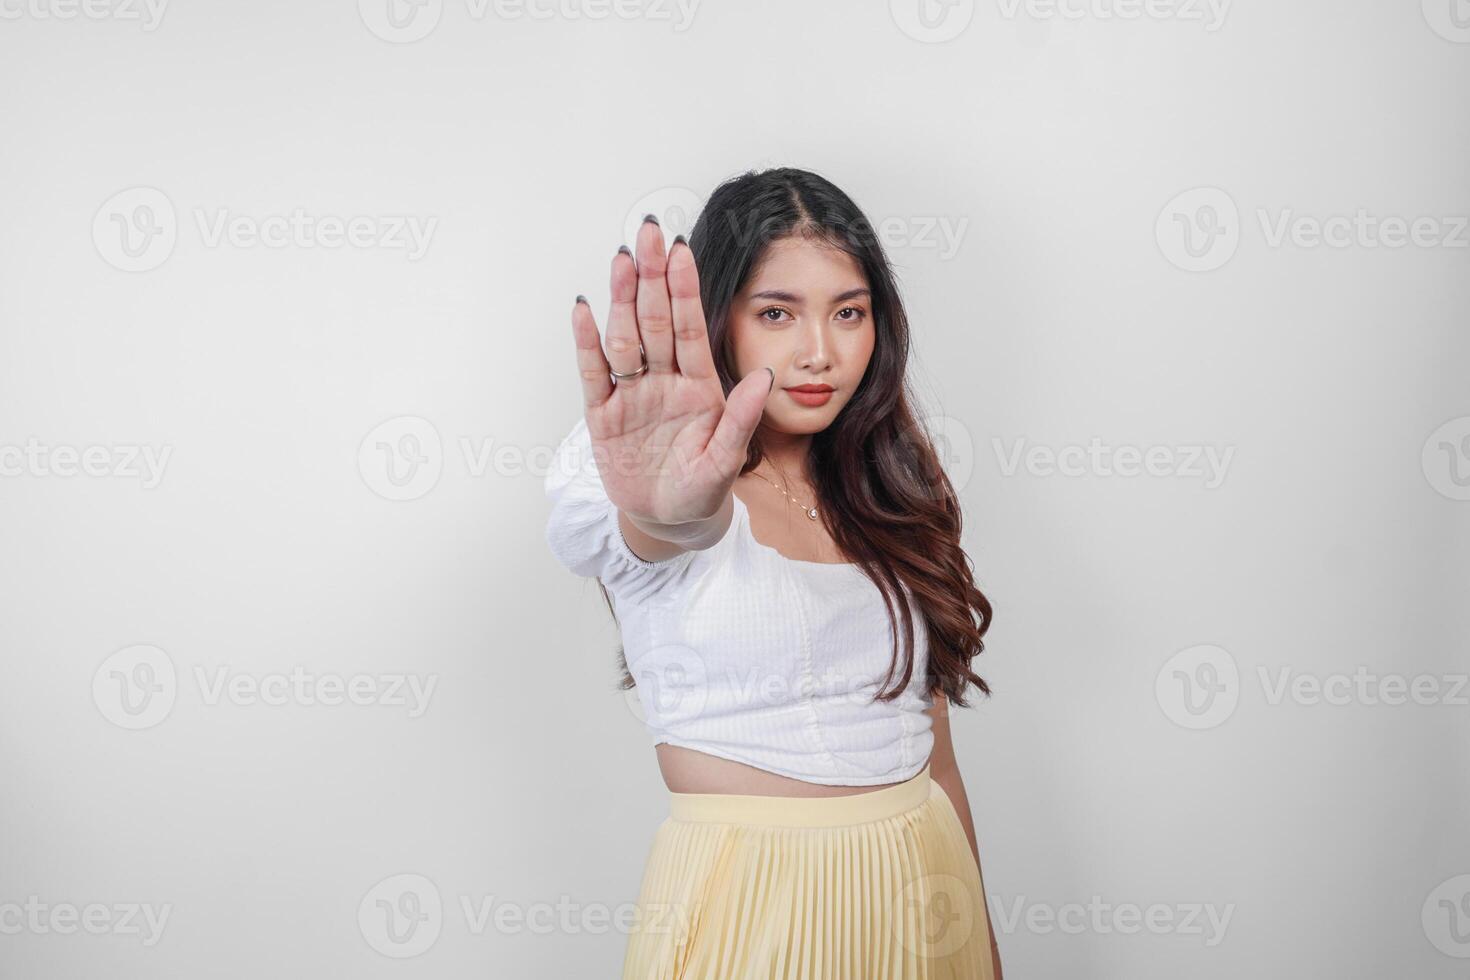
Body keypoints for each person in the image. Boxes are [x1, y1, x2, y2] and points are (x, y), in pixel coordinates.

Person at [545, 167, 1002, 978]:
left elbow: (938, 758)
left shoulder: (889, 484)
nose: (819, 352)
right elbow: (650, 529)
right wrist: (667, 509)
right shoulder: (662, 478)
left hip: (925, 887)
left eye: (848, 312)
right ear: (720, 318)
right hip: (751, 905)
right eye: (776, 313)